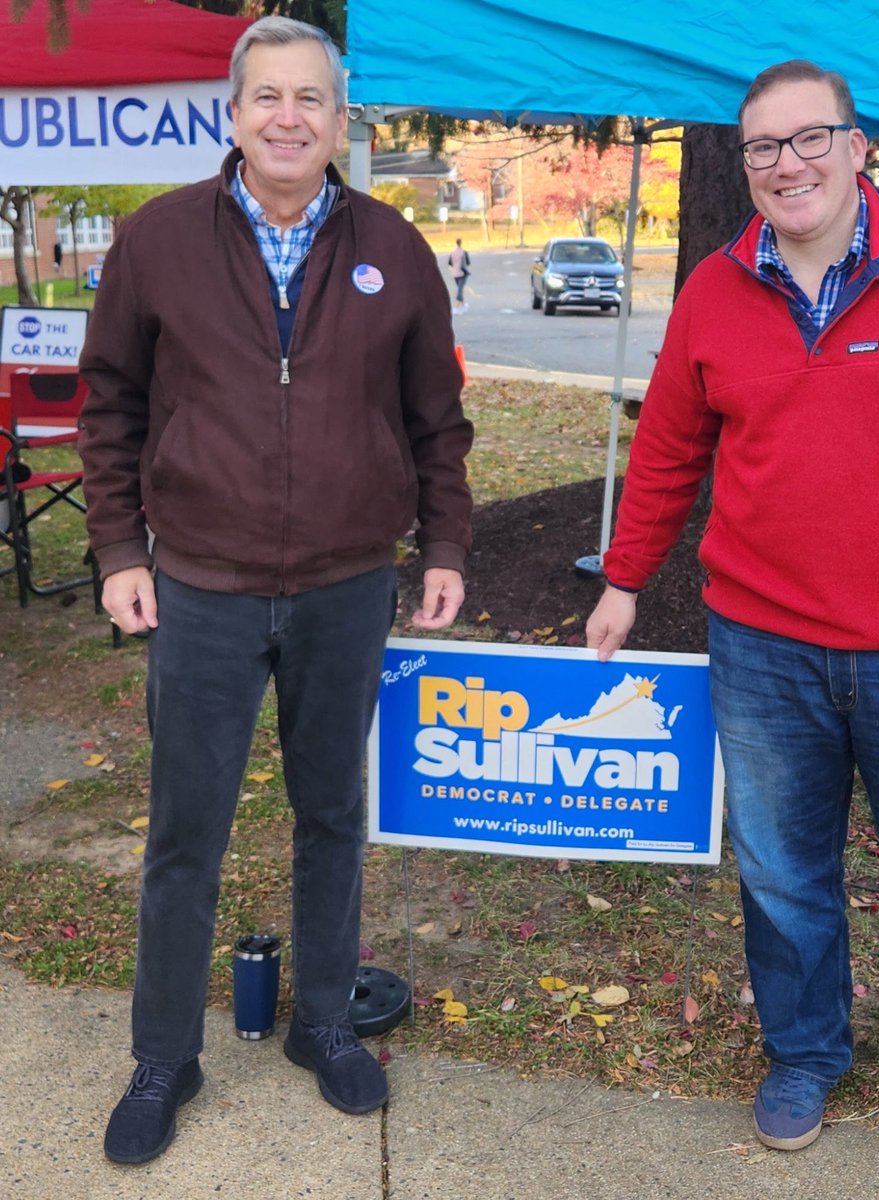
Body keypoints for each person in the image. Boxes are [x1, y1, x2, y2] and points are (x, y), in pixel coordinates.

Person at [586, 60, 879, 1176]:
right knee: (780, 870)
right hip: (762, 648)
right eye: (763, 147)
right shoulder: (715, 287)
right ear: (743, 165)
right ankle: (804, 1052)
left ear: (861, 149)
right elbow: (666, 449)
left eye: (812, 139)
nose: (787, 163)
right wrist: (622, 577)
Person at [78, 16, 472, 1165]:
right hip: (198, 587)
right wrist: (117, 556)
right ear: (234, 113)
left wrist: (443, 545)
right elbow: (112, 411)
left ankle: (322, 1023)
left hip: (349, 586)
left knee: (334, 819)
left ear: (341, 120)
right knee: (183, 833)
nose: (289, 116)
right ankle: (164, 1056)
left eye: (312, 98)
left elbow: (435, 424)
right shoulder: (156, 244)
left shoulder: (393, 248)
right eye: (268, 97)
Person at [448, 237, 471, 306]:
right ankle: (457, 303)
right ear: (461, 243)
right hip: (463, 272)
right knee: (460, 289)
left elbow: (450, 263)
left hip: (455, 273)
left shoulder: (452, 253)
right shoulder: (464, 252)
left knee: (460, 287)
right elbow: (468, 262)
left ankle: (462, 303)